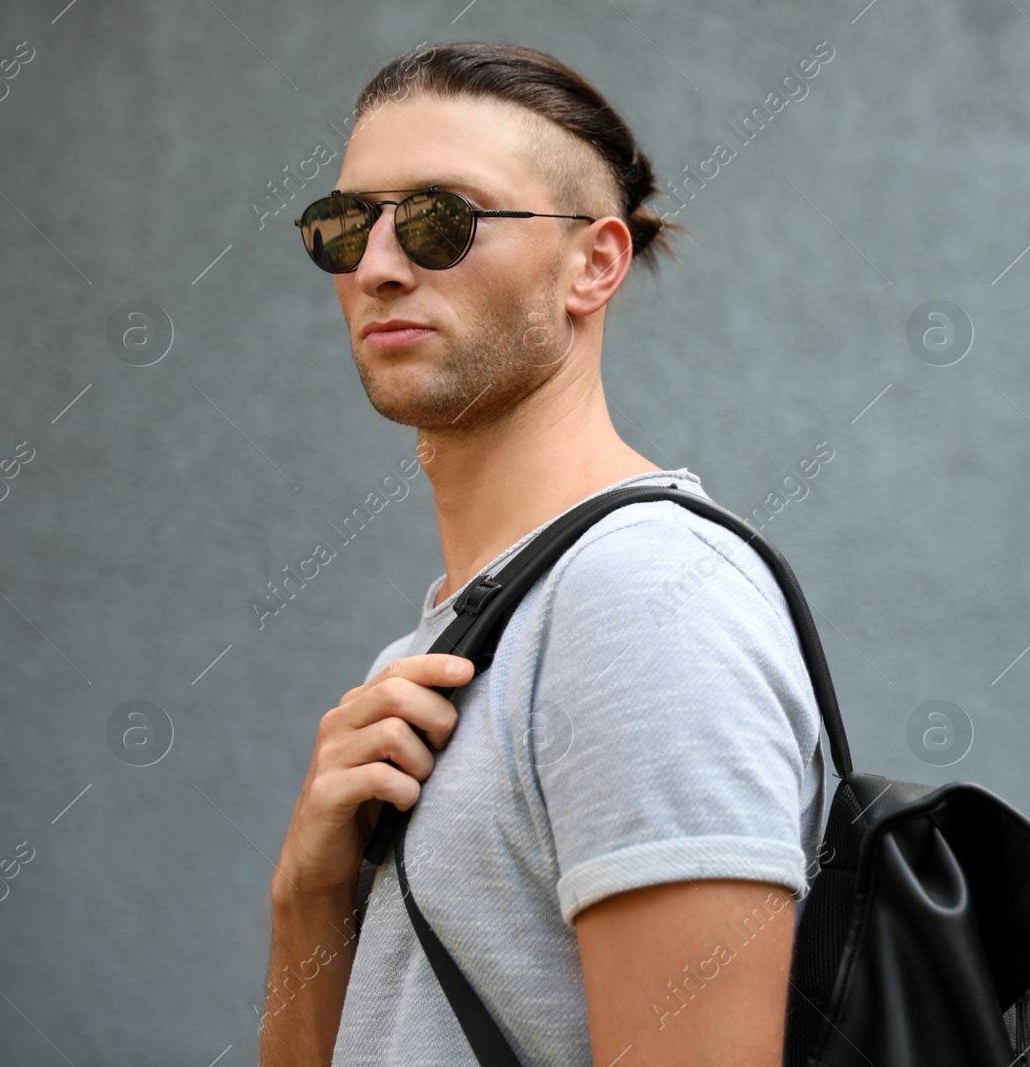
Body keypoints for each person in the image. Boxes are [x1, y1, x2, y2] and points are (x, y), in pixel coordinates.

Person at [259, 41, 828, 1067]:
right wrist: (305, 898)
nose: (380, 265)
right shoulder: (446, 644)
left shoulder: (642, 603)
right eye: (347, 225)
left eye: (442, 220)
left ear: (594, 262)